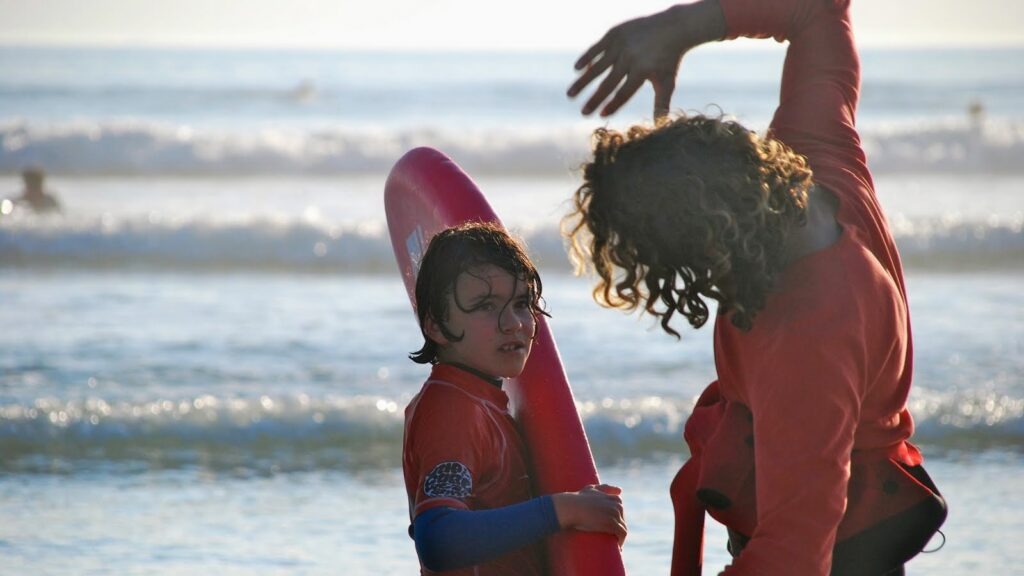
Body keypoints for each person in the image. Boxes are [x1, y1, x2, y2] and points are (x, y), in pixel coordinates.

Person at [564, 1, 945, 575]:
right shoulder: (813, 154)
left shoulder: (808, 338)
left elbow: (795, 554)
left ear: (709, 243)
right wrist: (680, 28)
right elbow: (819, 12)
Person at [403, 221, 627, 575]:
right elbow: (440, 538)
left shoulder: (479, 399)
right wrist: (564, 510)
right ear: (434, 325)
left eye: (521, 303)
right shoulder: (452, 411)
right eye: (486, 306)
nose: (513, 323)